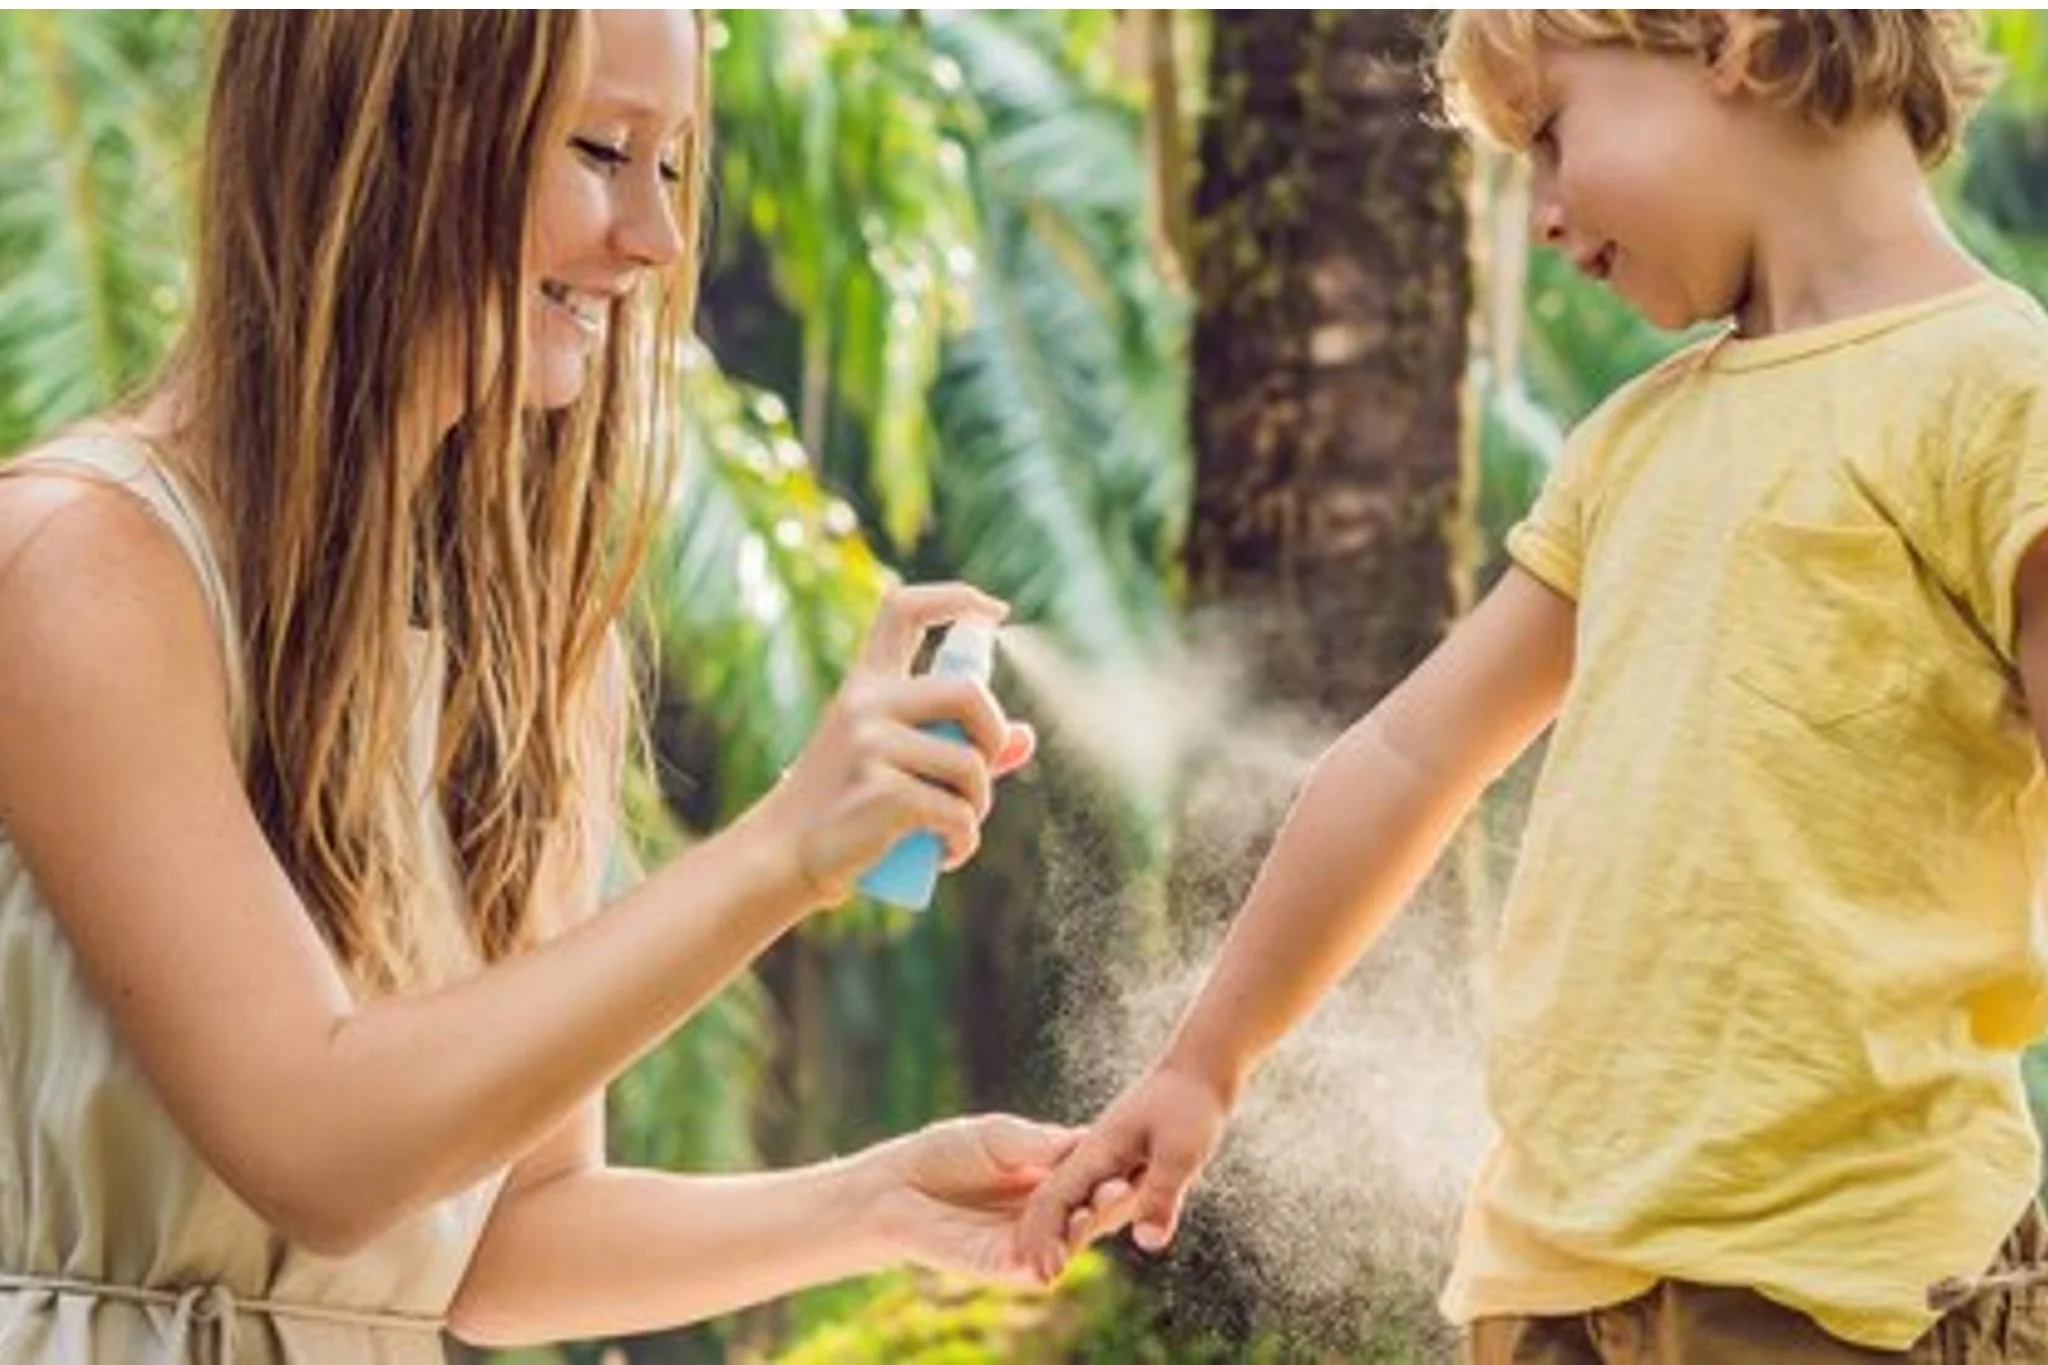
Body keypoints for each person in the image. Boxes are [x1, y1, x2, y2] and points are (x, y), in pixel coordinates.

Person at [0, 12, 1069, 1363]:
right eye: (601, 152)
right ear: (381, 137)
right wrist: (783, 853)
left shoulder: (519, 646)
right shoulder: (79, 561)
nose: (657, 238)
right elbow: (319, 1152)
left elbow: (502, 1243)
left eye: (673, 166)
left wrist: (874, 1202)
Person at [1020, 10, 2048, 1361]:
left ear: (1736, 37)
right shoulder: (1628, 446)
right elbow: (1403, 762)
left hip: (1852, 1290)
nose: (1547, 215)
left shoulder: (1997, 387)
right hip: (1550, 1286)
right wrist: (1203, 1063)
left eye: (1553, 132)